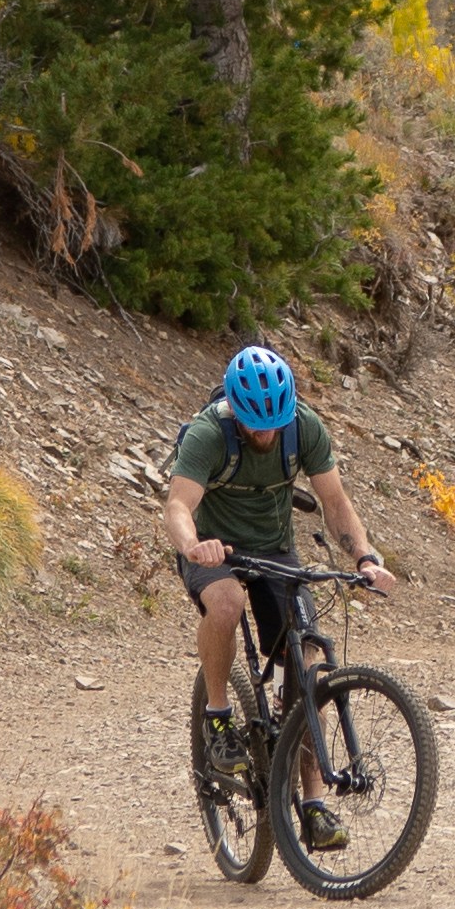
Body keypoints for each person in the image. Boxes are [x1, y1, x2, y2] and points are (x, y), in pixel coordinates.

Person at [165, 347, 383, 851]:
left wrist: (366, 557)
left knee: (304, 668)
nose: (265, 435)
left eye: (273, 425)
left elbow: (335, 503)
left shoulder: (302, 427)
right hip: (213, 548)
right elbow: (178, 505)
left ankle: (312, 805)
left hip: (275, 551)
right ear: (236, 412)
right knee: (226, 605)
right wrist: (193, 544)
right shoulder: (207, 434)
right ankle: (218, 717)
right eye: (254, 426)